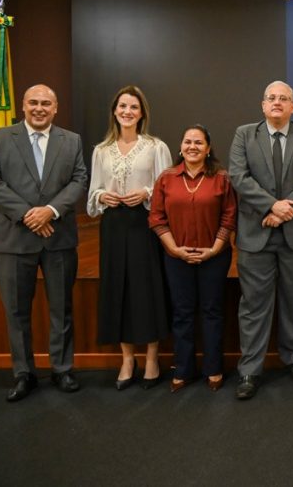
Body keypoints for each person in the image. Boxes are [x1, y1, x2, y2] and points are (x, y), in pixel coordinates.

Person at [0, 85, 88, 402]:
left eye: (46, 103)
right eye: (33, 102)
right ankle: (23, 373)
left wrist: (51, 211)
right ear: (23, 105)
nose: (39, 108)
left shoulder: (71, 140)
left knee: (62, 308)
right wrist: (28, 215)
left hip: (58, 238)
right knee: (16, 312)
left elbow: (79, 180)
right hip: (15, 239)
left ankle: (62, 369)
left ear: (55, 108)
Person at [229, 81, 293, 400]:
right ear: (263, 104)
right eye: (272, 98)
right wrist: (271, 206)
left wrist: (282, 212)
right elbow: (239, 177)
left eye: (284, 98)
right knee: (253, 304)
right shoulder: (245, 135)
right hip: (256, 234)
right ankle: (250, 370)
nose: (277, 102)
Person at [87, 85, 172, 390]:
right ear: (114, 111)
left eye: (133, 107)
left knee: (146, 289)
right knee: (117, 288)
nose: (127, 111)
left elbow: (166, 189)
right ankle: (127, 359)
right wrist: (102, 196)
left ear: (142, 113)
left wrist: (147, 193)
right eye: (122, 106)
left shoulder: (155, 147)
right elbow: (93, 192)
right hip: (113, 225)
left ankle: (151, 358)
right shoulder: (101, 150)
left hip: (144, 224)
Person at [149, 125, 237, 392]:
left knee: (212, 311)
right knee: (182, 312)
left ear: (208, 148)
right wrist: (174, 249)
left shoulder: (221, 178)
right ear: (180, 146)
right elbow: (156, 217)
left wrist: (215, 249)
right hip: (176, 257)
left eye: (199, 143)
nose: (192, 147)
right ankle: (183, 369)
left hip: (214, 256)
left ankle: (214, 368)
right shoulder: (166, 178)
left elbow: (229, 216)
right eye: (188, 142)